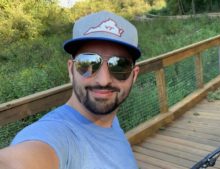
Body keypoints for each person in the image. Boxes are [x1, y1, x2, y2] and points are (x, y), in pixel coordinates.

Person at [0, 10, 141, 169]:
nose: (103, 81)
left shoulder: (110, 119)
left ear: (134, 75)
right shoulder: (56, 134)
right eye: (88, 63)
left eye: (120, 65)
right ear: (71, 70)